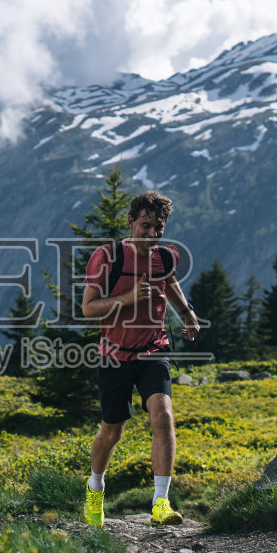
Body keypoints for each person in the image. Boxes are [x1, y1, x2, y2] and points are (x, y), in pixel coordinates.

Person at [81, 190, 200, 527]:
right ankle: (95, 490)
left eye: (158, 227)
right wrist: (128, 298)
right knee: (112, 431)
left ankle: (161, 502)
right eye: (146, 225)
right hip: (114, 355)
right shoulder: (108, 257)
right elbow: (88, 308)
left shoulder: (164, 257)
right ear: (131, 222)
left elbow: (170, 281)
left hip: (154, 349)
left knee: (162, 416)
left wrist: (187, 312)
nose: (152, 233)